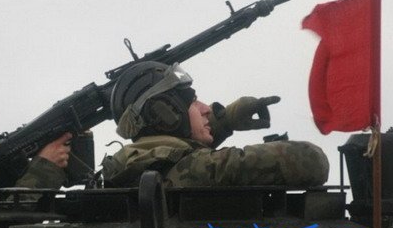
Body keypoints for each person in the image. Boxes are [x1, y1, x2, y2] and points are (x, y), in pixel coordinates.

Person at [101, 61, 329, 187]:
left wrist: (226, 119)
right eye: (192, 102)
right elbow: (311, 160)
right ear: (167, 115)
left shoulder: (140, 164)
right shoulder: (198, 169)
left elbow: (181, 158)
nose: (206, 109)